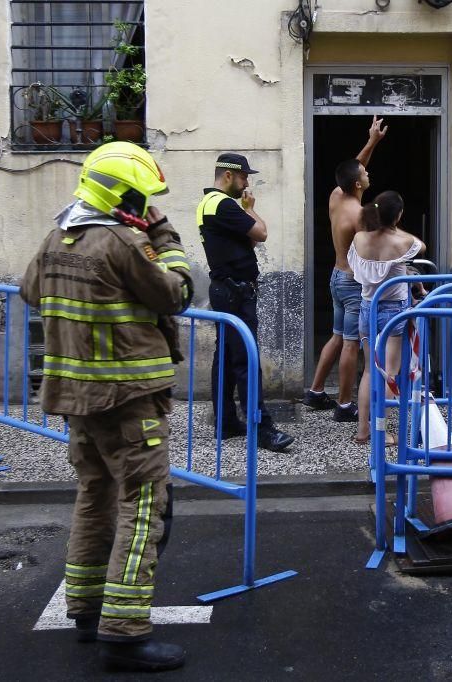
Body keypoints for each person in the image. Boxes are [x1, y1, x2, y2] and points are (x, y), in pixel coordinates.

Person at [19, 142, 191, 672]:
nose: (145, 204)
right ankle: (124, 632)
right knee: (143, 508)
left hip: (79, 400)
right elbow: (176, 292)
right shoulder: (119, 242)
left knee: (95, 496)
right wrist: (166, 237)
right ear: (121, 193)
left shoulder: (57, 238)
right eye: (140, 196)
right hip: (128, 400)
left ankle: (88, 611)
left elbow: (29, 291)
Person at [196, 153, 294, 452]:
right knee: (245, 361)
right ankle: (262, 428)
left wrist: (246, 211)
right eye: (243, 177)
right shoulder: (223, 204)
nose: (247, 183)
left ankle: (226, 422)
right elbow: (261, 233)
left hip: (226, 290)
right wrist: (251, 208)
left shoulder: (210, 204)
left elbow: (249, 240)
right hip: (236, 293)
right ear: (228, 176)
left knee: (224, 359)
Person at [304, 116, 388, 423]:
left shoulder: (337, 197)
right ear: (358, 184)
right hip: (353, 284)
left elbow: (353, 166)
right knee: (351, 344)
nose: (368, 173)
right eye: (365, 174)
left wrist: (372, 141)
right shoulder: (361, 215)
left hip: (336, 277)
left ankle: (314, 392)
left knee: (337, 336)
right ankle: (343, 404)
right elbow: (377, 251)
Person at [348, 190, 425, 445]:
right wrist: (394, 228)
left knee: (369, 370)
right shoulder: (402, 242)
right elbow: (420, 246)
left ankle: (362, 430)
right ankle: (382, 432)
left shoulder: (360, 238)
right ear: (399, 215)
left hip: (367, 307)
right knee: (390, 371)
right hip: (394, 309)